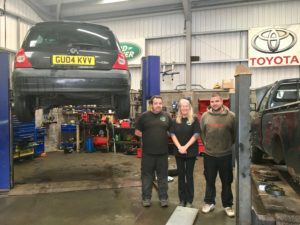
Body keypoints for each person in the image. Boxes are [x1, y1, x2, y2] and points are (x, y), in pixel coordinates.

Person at [200, 92, 235, 217]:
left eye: (217, 101)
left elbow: (234, 135)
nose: (214, 104)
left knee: (226, 181)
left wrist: (226, 146)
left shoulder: (231, 116)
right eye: (212, 101)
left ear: (222, 102)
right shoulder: (204, 116)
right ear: (210, 103)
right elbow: (203, 133)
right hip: (209, 155)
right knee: (210, 180)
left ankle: (228, 205)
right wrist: (208, 145)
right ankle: (209, 202)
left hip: (225, 155)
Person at [135, 95, 172, 207]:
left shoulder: (167, 116)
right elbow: (137, 132)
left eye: (160, 103)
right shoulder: (144, 116)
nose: (158, 105)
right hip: (148, 154)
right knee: (147, 177)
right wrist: (148, 137)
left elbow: (171, 132)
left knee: (163, 177)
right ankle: (146, 198)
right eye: (156, 103)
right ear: (151, 104)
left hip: (163, 153)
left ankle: (163, 198)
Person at [170, 98, 200, 208]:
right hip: (179, 152)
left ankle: (190, 200)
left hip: (191, 152)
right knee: (181, 176)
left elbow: (196, 134)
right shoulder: (175, 120)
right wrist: (179, 147)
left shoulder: (194, 119)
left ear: (189, 107)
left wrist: (185, 147)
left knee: (189, 176)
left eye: (186, 106)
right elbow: (172, 134)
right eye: (182, 106)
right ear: (179, 108)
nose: (184, 108)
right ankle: (182, 199)